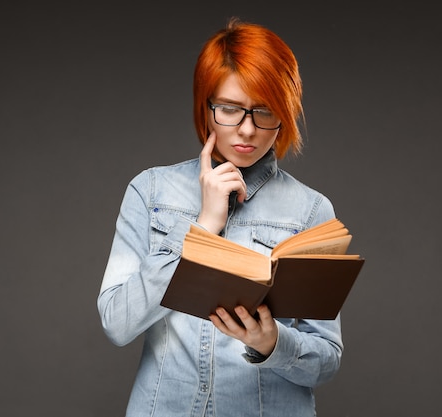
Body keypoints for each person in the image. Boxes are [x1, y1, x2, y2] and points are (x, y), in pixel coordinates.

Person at [97, 17, 343, 417]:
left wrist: (273, 343)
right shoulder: (151, 192)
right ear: (206, 107)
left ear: (286, 112)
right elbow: (117, 324)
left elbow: (327, 359)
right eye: (229, 109)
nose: (247, 130)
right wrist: (201, 228)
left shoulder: (311, 211)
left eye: (264, 112)